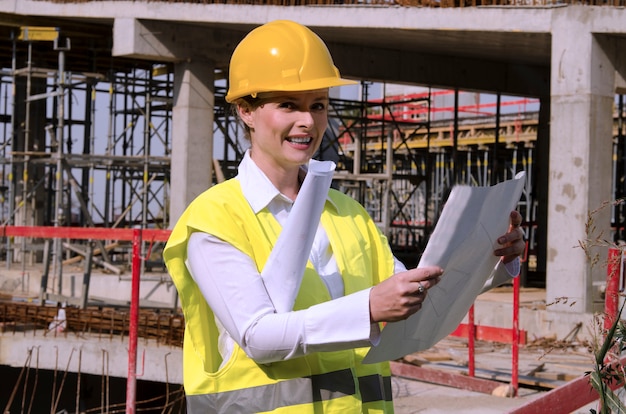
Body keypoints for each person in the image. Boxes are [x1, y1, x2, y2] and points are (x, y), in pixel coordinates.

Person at [163, 20, 525, 413]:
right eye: (288, 104)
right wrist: (367, 308)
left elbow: (413, 295)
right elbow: (258, 336)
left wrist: (489, 260)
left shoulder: (347, 213)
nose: (308, 121)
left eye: (318, 105)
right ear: (246, 110)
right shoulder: (215, 219)